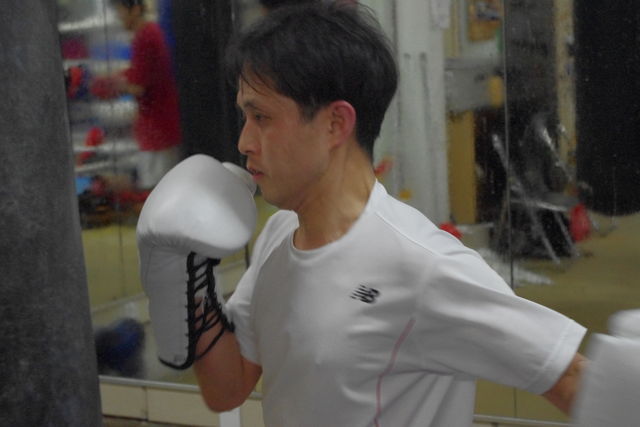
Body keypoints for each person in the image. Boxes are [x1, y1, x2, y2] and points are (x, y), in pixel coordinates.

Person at [146, 3, 587, 426]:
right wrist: (183, 278)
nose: (244, 142)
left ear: (336, 124)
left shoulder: (422, 265)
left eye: (261, 117)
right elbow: (227, 389)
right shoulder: (278, 235)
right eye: (245, 116)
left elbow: (570, 377)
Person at [93, 0, 182, 191]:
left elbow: (138, 86)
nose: (119, 18)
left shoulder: (146, 37)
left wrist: (110, 85)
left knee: (157, 191)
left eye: (120, 12)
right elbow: (139, 76)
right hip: (158, 127)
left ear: (134, 9)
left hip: (158, 130)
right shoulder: (148, 34)